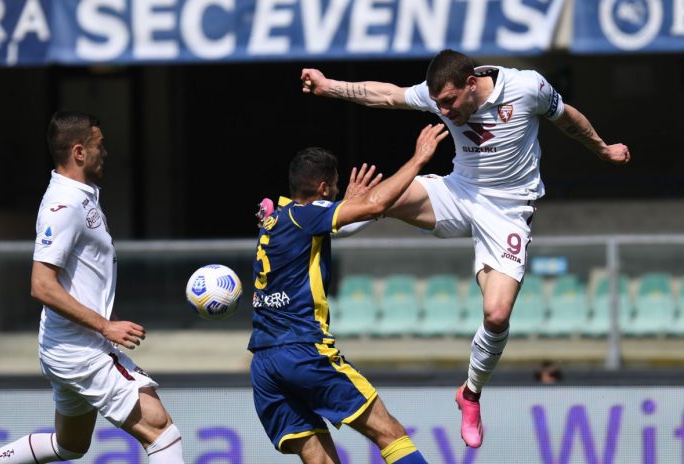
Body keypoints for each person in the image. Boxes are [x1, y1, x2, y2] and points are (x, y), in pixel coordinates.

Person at [300, 49, 631, 448]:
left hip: (508, 210)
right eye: (438, 103)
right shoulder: (441, 96)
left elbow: (568, 117)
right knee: (378, 199)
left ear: (471, 84)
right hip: (458, 192)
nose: (444, 111)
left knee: (497, 314)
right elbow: (386, 94)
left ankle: (470, 393)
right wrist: (329, 86)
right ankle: (293, 221)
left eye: (450, 102)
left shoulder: (527, 87)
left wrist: (602, 148)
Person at [0, 111, 184, 463]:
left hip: (63, 347)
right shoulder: (64, 206)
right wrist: (105, 325)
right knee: (162, 433)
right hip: (80, 350)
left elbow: (79, 275)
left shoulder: (82, 197)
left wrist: (106, 317)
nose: (105, 152)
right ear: (79, 152)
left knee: (70, 445)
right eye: (99, 145)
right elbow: (41, 285)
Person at [249, 123, 448, 463]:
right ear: (323, 187)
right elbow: (374, 205)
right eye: (336, 186)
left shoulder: (276, 220)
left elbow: (328, 222)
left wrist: (344, 204)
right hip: (303, 352)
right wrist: (418, 159)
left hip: (264, 362)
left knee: (320, 460)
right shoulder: (307, 217)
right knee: (390, 433)